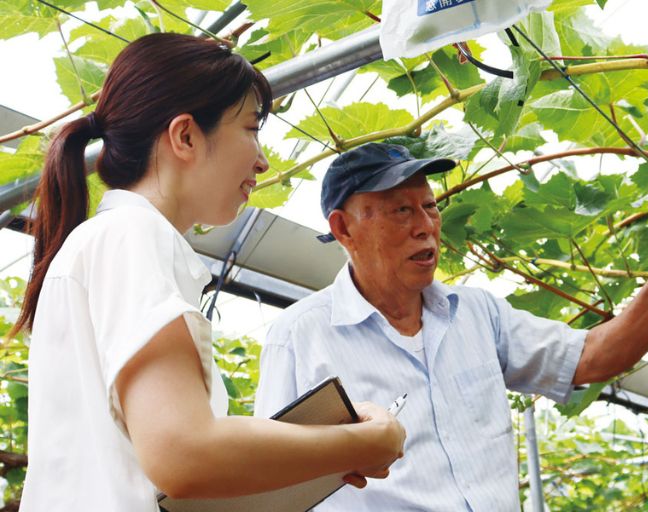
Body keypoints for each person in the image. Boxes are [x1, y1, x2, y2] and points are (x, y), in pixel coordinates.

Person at [11, 35, 405, 511]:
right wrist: (364, 443)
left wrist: (318, 451)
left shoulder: (106, 239)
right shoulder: (134, 235)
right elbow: (183, 453)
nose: (262, 160)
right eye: (249, 128)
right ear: (186, 136)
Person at [254, 142, 648, 511]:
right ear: (343, 228)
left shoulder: (477, 313)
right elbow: (271, 481)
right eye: (400, 212)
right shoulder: (300, 336)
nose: (426, 226)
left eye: (429, 206)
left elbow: (593, 358)